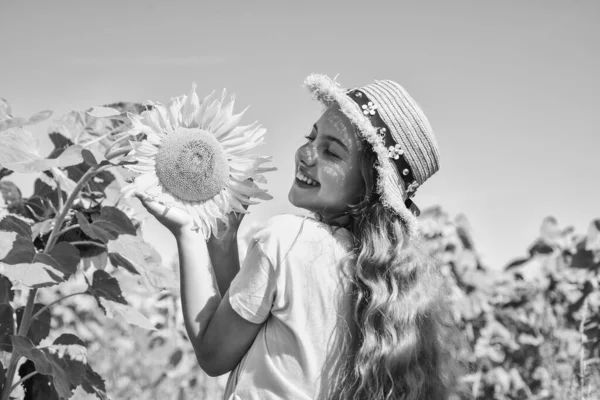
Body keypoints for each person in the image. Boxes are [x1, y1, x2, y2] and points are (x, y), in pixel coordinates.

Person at [136, 74, 463, 399]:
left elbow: (215, 353)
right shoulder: (383, 281)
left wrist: (188, 233)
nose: (306, 154)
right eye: (311, 137)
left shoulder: (288, 238)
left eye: (331, 152)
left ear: (370, 185)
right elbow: (249, 327)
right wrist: (223, 241)